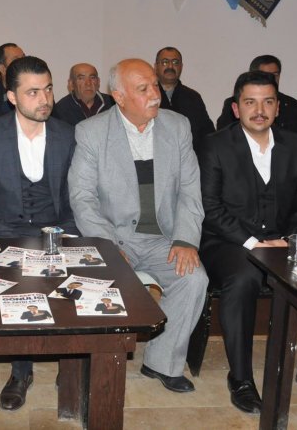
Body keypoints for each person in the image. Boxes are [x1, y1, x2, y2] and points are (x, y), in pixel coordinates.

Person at [199, 70, 297, 413]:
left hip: (283, 241)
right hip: (229, 242)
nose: (259, 110)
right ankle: (241, 378)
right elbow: (210, 208)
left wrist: (289, 240)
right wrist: (253, 243)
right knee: (243, 279)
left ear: (278, 107)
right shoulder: (214, 145)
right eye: (250, 102)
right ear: (236, 108)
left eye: (267, 102)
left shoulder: (295, 145)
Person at [68, 58, 208, 394]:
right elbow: (83, 199)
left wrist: (186, 239)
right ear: (119, 96)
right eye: (143, 89)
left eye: (155, 85)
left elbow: (190, 191)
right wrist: (107, 246)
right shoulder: (91, 132)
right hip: (114, 237)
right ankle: (97, 367)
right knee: (99, 283)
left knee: (194, 279)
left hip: (163, 238)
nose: (155, 94)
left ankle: (162, 363)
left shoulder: (178, 126)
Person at [0, 55, 76, 411]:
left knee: (75, 285)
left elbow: (76, 198)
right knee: (21, 286)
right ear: (11, 96)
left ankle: (71, 367)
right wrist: (18, 244)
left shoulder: (67, 135)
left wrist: (60, 238)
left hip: (57, 232)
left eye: (48, 89)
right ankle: (21, 370)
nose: (45, 99)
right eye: (33, 92)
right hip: (4, 234)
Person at [216, 55, 297, 139]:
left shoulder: (293, 105)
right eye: (250, 102)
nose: (271, 78)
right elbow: (222, 136)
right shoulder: (234, 102)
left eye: (275, 75)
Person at [154, 47, 214, 154]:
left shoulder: (193, 97)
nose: (170, 66)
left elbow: (207, 135)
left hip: (190, 159)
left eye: (175, 62)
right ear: (156, 66)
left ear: (181, 67)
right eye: (165, 62)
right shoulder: (148, 96)